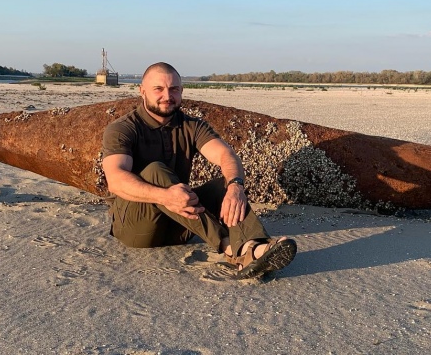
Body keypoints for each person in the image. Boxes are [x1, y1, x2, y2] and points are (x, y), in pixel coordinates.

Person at [101, 62, 297, 279]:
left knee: (227, 183)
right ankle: (232, 248)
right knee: (155, 170)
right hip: (137, 228)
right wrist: (165, 196)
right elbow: (116, 179)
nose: (167, 96)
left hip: (180, 225)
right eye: (158, 89)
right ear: (142, 91)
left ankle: (255, 246)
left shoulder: (192, 126)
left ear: (181, 91)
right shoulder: (123, 128)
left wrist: (236, 187)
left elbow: (226, 155)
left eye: (174, 89)